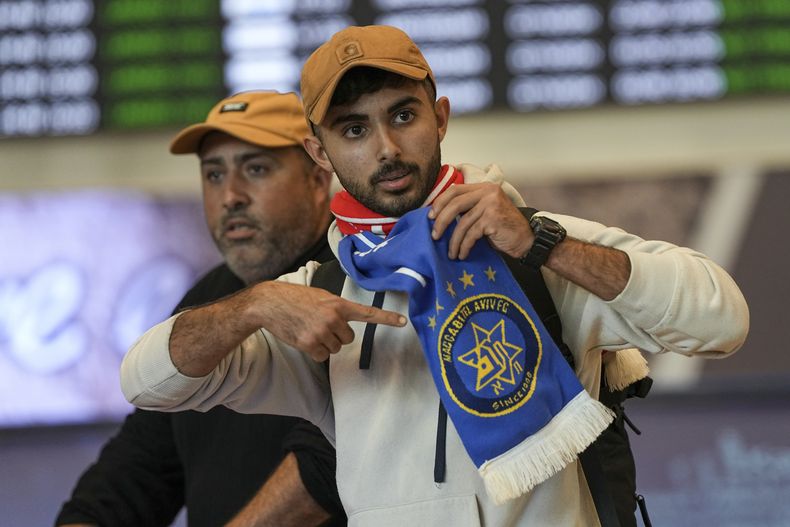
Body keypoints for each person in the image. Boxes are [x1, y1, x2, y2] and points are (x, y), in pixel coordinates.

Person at [119, 26, 750, 526]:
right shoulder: (324, 293)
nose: (387, 149)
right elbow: (146, 381)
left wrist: (543, 245)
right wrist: (252, 306)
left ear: (440, 118)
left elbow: (721, 320)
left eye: (402, 116)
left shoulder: (535, 244)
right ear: (320, 151)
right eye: (354, 129)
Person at [56, 91, 346, 527]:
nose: (230, 195)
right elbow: (137, 470)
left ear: (318, 177)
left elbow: (329, 460)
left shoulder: (359, 277)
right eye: (213, 174)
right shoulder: (206, 299)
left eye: (256, 169)